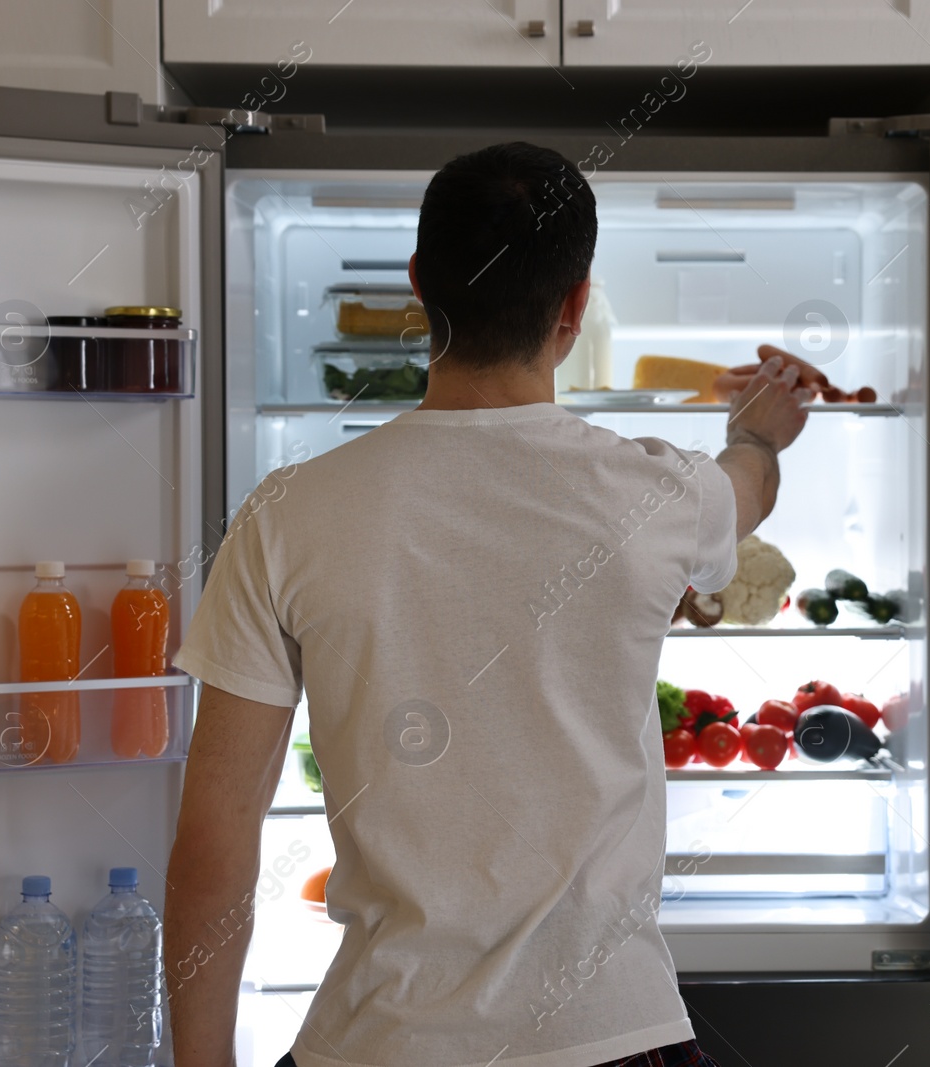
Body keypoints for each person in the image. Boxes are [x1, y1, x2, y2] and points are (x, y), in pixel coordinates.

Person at [165, 141, 811, 1067]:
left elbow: (212, 842)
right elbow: (746, 484)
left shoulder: (285, 515)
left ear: (421, 283)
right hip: (614, 1037)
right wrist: (760, 429)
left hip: (379, 1042)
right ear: (576, 305)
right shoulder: (656, 495)